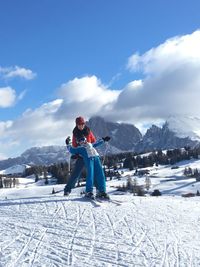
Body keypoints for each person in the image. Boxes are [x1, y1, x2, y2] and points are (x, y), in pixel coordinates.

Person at [63, 116, 96, 196]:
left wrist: (89, 145)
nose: (81, 126)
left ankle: (95, 191)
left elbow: (93, 140)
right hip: (81, 156)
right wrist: (76, 154)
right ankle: (67, 190)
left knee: (93, 173)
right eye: (79, 124)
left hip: (89, 155)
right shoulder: (75, 133)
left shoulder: (88, 131)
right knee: (75, 174)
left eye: (82, 124)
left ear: (84, 124)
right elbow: (74, 145)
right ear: (76, 125)